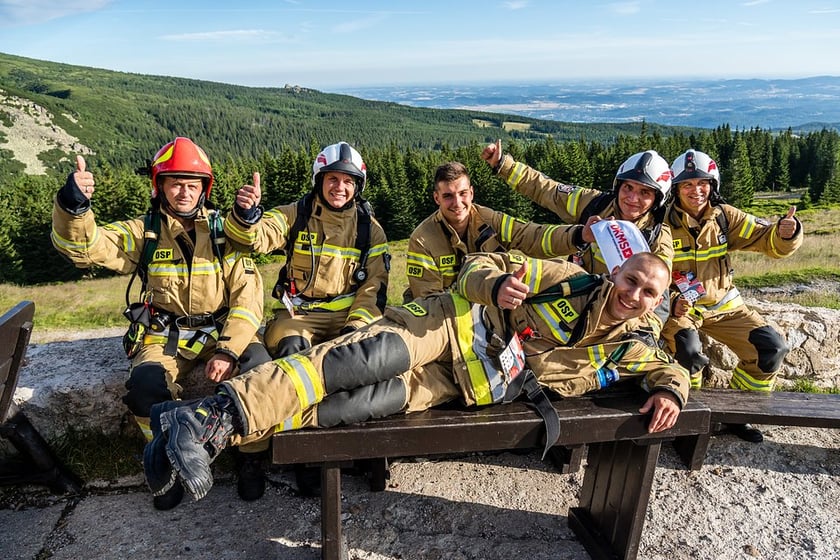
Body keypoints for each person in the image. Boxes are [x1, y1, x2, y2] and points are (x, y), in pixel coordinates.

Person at [143, 251, 691, 504]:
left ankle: (192, 423)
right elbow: (479, 263)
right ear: (616, 272)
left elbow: (672, 369)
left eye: (648, 291)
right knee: (347, 365)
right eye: (631, 279)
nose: (633, 294)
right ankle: (209, 417)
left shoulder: (634, 347)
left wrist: (670, 389)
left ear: (655, 303)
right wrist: (495, 284)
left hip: (454, 387)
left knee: (338, 411)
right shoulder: (568, 280)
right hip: (448, 326)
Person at [51, 137, 270, 510]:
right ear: (160, 186)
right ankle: (164, 462)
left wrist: (229, 349)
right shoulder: (144, 231)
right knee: (145, 386)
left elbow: (248, 302)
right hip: (165, 335)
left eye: (192, 184)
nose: (183, 192)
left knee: (258, 372)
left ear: (205, 188)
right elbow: (86, 249)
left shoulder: (226, 233)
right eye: (174, 183)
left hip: (222, 330)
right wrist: (75, 205)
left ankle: (251, 458)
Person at [224, 141, 390, 500]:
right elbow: (253, 239)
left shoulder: (369, 229)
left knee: (348, 367)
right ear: (319, 180)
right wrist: (246, 215)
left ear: (357, 186)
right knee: (292, 356)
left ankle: (320, 456)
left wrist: (353, 331)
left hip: (345, 317)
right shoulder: (295, 215)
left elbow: (374, 288)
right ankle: (279, 454)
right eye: (332, 179)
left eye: (348, 181)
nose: (339, 188)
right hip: (298, 315)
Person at [662, 149, 803, 443]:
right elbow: (645, 269)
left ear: (713, 185)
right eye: (687, 184)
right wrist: (670, 299)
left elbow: (766, 240)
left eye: (702, 183)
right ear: (675, 188)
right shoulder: (661, 222)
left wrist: (786, 234)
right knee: (688, 354)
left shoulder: (725, 217)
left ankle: (739, 416)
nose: (696, 190)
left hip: (726, 307)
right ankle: (689, 421)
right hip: (681, 311)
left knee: (771, 348)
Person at [481, 140, 675, 287]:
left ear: (657, 199)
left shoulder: (657, 236)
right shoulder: (594, 203)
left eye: (644, 193)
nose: (632, 198)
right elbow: (547, 190)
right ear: (618, 186)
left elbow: (658, 290)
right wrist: (504, 166)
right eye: (628, 187)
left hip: (621, 313)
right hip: (577, 294)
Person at [405, 160, 581, 300]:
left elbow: (531, 236)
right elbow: (428, 301)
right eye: (448, 196)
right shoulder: (422, 240)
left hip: (491, 311)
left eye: (462, 193)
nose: (457, 203)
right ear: (437, 198)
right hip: (444, 321)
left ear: (472, 193)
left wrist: (578, 235)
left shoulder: (489, 219)